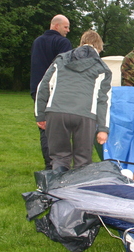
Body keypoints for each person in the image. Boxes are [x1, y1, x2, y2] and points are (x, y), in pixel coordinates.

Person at [34, 30, 112, 172]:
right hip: (85, 115)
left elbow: (43, 87)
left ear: (81, 43)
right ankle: (76, 191)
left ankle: (57, 189)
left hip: (56, 112)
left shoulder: (61, 59)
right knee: (83, 161)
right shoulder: (103, 68)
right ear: (99, 47)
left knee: (59, 157)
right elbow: (104, 101)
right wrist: (103, 129)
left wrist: (40, 115)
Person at [30, 14, 73, 170]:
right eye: (66, 27)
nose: (68, 30)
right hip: (56, 91)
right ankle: (59, 166)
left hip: (38, 91)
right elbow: (67, 68)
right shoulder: (63, 43)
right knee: (61, 130)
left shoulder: (37, 42)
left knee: (44, 126)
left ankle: (49, 165)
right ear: (56, 26)